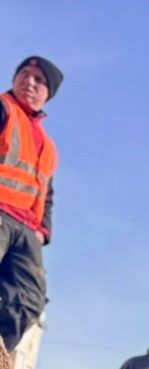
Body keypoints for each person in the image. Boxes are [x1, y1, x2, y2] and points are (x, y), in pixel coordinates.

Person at [0, 56, 62, 353]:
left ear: (47, 93)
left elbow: (46, 193)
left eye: (39, 80)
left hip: (26, 229)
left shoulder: (48, 147)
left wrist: (43, 230)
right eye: (24, 74)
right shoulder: (3, 109)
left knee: (29, 299)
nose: (29, 81)